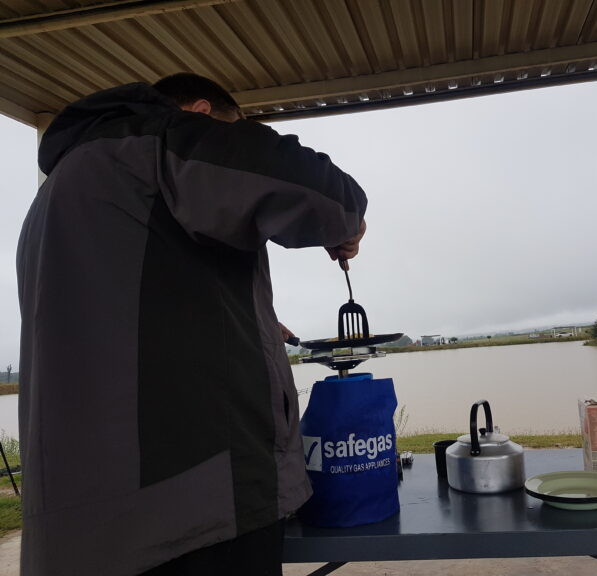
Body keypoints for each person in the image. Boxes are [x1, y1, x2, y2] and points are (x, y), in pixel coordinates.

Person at [16, 73, 368, 576]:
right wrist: (349, 226)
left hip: (78, 530)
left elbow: (129, 315)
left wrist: (259, 325)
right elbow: (328, 198)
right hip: (191, 516)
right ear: (203, 114)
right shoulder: (160, 140)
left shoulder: (58, 193)